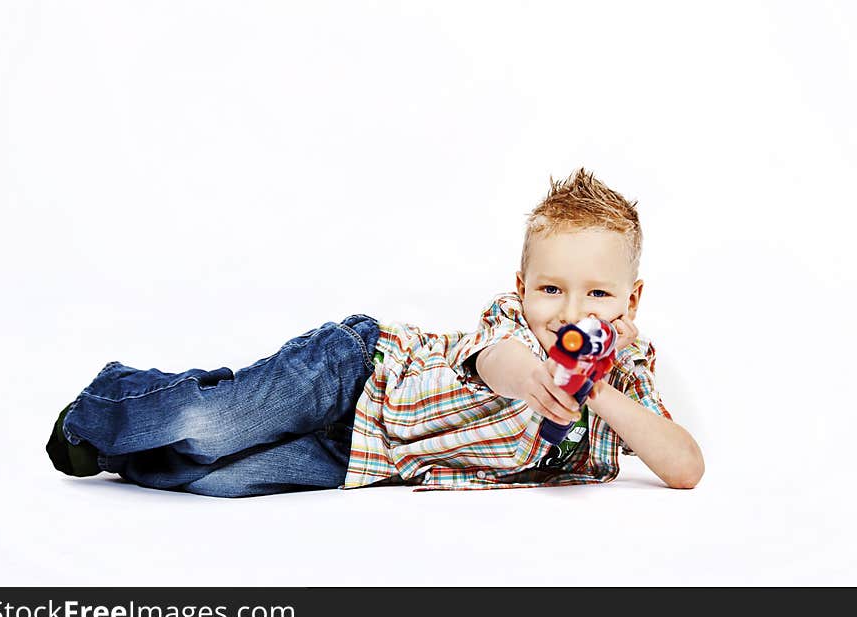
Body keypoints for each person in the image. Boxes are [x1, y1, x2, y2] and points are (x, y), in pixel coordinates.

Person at [46, 167, 703, 497]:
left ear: (631, 300)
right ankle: (103, 405)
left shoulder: (626, 373)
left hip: (370, 455)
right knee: (220, 419)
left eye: (597, 293)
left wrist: (598, 394)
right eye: (551, 288)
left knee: (217, 478)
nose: (568, 310)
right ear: (524, 285)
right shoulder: (513, 325)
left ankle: (116, 454)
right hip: (360, 370)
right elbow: (498, 361)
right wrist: (539, 378)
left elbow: (684, 465)